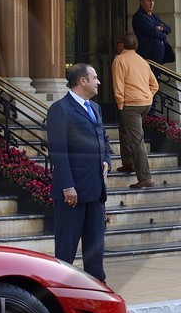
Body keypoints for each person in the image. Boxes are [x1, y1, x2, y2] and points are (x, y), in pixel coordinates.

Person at [45, 62, 112, 281]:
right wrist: (67, 186)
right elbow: (58, 150)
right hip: (71, 193)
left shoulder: (95, 108)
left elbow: (104, 138)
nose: (98, 82)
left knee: (95, 249)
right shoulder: (60, 109)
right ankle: (60, 291)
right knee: (66, 251)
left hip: (95, 190)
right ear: (83, 81)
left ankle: (97, 290)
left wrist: (107, 161)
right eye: (95, 77)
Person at [110, 33, 158, 189]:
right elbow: (154, 85)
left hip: (131, 105)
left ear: (122, 44)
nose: (117, 45)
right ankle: (128, 163)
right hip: (145, 104)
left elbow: (118, 86)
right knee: (124, 129)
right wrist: (147, 97)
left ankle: (145, 177)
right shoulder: (142, 61)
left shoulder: (119, 60)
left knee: (137, 141)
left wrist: (120, 105)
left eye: (118, 42)